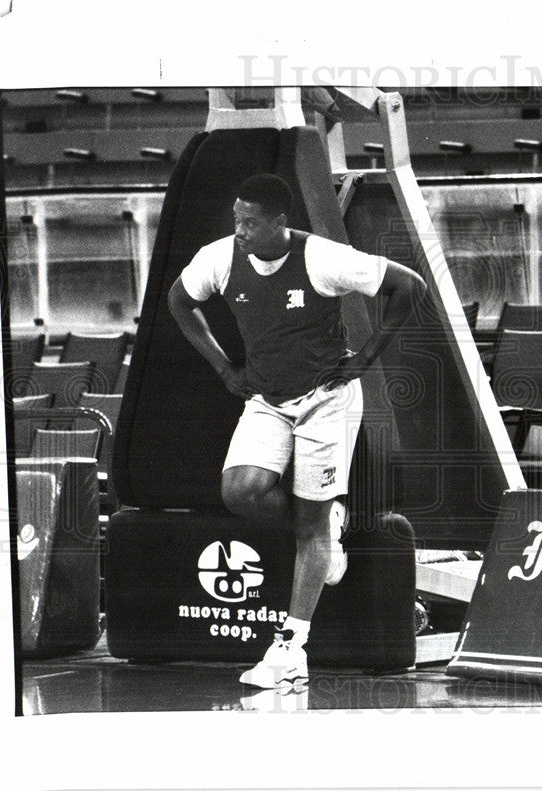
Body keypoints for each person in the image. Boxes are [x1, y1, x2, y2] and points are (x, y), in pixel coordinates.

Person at [168, 173, 426, 690]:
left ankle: (290, 650)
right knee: (241, 492)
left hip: (326, 402)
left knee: (310, 529)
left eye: (251, 222)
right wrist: (223, 368)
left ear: (280, 224)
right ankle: (324, 534)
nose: (240, 230)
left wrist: (367, 359)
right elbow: (179, 300)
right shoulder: (219, 257)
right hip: (266, 399)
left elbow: (409, 286)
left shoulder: (324, 258)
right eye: (236, 220)